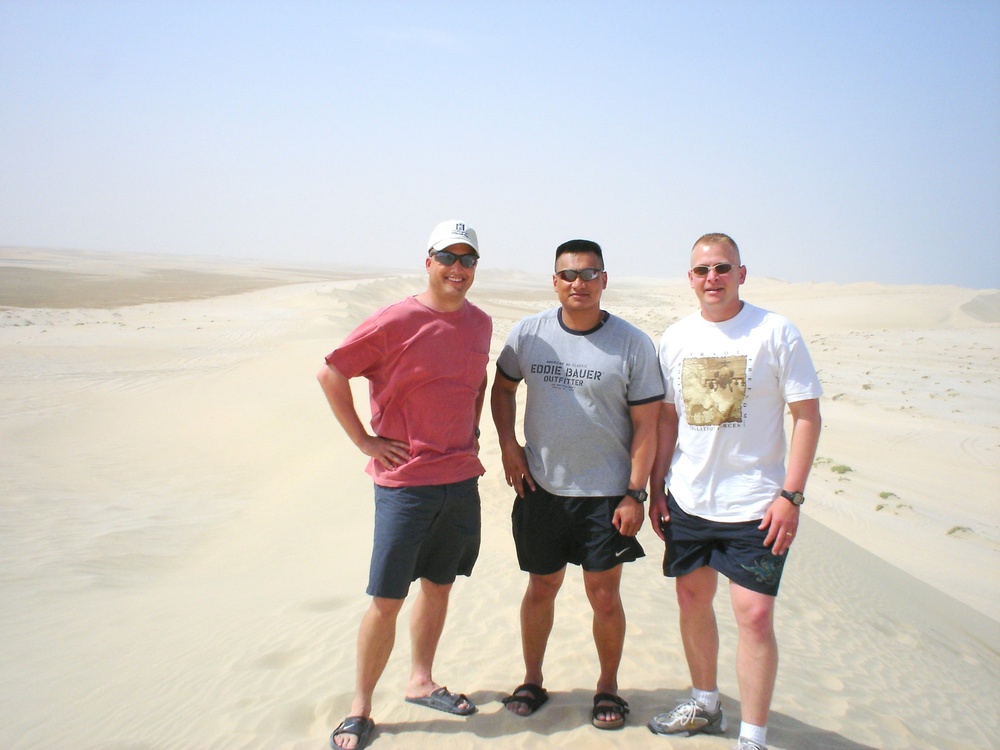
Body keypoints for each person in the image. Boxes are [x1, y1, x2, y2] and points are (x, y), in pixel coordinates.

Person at [317, 220, 492, 750]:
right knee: (388, 597)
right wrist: (365, 442)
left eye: (468, 260)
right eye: (448, 257)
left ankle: (421, 679)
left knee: (440, 585)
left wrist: (473, 428)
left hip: (460, 480)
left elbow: (477, 381)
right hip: (405, 484)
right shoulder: (396, 320)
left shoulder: (480, 323)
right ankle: (360, 707)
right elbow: (331, 373)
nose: (457, 268)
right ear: (429, 261)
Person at [646, 233, 822, 750]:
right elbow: (668, 419)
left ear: (741, 273)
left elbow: (807, 416)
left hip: (758, 506)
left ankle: (753, 736)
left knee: (755, 615)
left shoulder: (775, 332)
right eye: (702, 271)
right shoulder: (675, 338)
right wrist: (656, 489)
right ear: (690, 279)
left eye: (723, 268)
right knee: (691, 599)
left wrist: (790, 496)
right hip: (690, 498)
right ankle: (705, 703)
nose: (712, 279)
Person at [491, 239, 663, 730]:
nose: (578, 284)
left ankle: (607, 687)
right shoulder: (530, 334)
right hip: (542, 488)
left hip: (606, 495)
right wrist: (509, 444)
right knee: (541, 587)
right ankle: (531, 679)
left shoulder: (632, 343)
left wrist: (635, 493)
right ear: (554, 281)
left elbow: (648, 425)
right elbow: (503, 388)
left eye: (589, 274)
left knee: (604, 595)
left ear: (604, 280)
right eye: (568, 275)